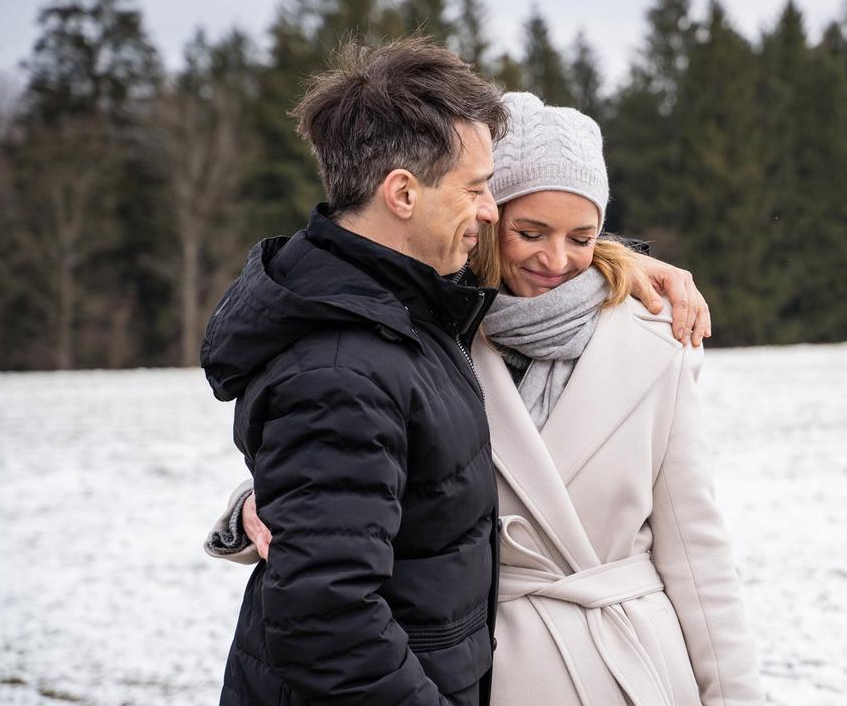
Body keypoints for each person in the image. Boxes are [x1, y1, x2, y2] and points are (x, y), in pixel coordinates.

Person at [200, 40, 712, 706]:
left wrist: (614, 265)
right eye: (485, 195)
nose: (490, 211)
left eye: (583, 235)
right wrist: (259, 504)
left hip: (600, 664)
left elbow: (700, 551)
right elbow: (331, 605)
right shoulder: (396, 333)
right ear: (405, 193)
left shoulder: (419, 313)